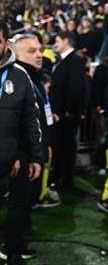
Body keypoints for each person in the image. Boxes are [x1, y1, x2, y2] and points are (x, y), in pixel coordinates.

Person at [0, 21, 43, 265]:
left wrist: (35, 156)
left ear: (6, 43)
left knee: (17, 208)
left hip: (12, 158)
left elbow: (30, 119)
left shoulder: (19, 75)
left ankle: (12, 249)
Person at [12, 33, 60, 209]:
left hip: (35, 149)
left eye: (40, 50)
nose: (39, 55)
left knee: (28, 199)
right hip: (22, 153)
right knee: (19, 202)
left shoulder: (35, 77)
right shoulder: (15, 79)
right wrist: (16, 155)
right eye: (32, 51)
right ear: (16, 54)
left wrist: (46, 144)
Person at [49, 30, 87, 189]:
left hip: (66, 115)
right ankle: (60, 177)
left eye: (57, 40)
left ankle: (64, 179)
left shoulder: (75, 60)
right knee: (60, 146)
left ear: (66, 41)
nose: (55, 43)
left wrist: (68, 110)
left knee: (65, 147)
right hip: (61, 114)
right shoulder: (65, 60)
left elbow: (76, 88)